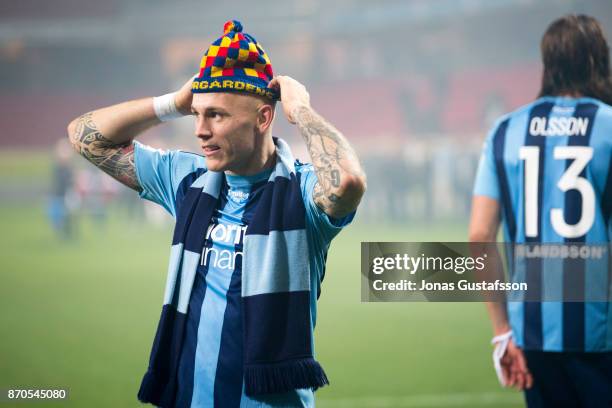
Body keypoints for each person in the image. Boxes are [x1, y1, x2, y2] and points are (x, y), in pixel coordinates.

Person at [66, 20, 366, 408]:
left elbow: (347, 182)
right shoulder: (188, 180)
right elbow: (84, 137)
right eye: (197, 115)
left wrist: (301, 109)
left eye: (217, 116)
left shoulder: (301, 194)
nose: (200, 131)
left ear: (263, 118)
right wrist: (173, 103)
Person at [469, 14, 612, 407]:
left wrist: (502, 331)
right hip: (601, 334)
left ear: (548, 65)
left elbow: (480, 235)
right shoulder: (608, 125)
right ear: (598, 62)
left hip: (531, 334)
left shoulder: (505, 131)